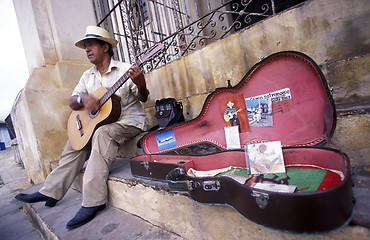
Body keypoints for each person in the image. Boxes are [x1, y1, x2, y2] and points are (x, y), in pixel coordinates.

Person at [15, 25, 149, 229]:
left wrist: (141, 84)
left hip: (128, 121)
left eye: (91, 45)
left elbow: (144, 97)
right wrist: (84, 99)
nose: (87, 49)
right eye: (85, 46)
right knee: (75, 142)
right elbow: (72, 101)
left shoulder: (125, 70)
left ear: (105, 47)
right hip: (103, 123)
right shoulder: (87, 76)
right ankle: (50, 191)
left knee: (102, 133)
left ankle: (94, 201)